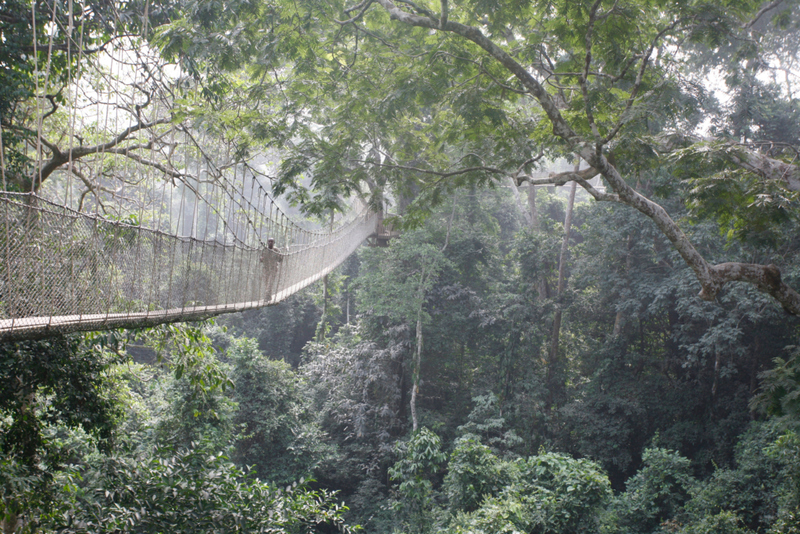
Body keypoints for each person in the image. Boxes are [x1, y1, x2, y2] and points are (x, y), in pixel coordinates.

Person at [261, 237, 283, 301]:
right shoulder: (264, 250)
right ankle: (269, 297)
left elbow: (280, 260)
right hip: (266, 270)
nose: (270, 243)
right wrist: (261, 259)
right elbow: (261, 259)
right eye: (269, 241)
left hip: (273, 269)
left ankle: (266, 298)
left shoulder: (277, 250)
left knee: (270, 284)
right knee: (266, 284)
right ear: (267, 242)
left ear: (274, 243)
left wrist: (279, 256)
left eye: (271, 241)